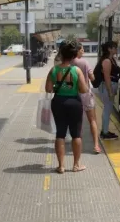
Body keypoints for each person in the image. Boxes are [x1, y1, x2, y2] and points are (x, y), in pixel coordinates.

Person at [45, 40, 89, 174]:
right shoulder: (76, 70)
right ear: (74, 56)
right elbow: (83, 90)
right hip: (74, 103)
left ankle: (61, 166)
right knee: (76, 134)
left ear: (61, 54)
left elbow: (48, 89)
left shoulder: (54, 69)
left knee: (60, 133)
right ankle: (76, 165)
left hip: (58, 102)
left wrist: (60, 86)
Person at [72, 43, 101, 154]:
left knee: (77, 121)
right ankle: (96, 145)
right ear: (78, 51)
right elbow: (92, 77)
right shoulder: (84, 62)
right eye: (82, 49)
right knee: (92, 120)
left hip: (74, 94)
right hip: (86, 94)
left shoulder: (70, 63)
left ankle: (78, 145)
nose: (83, 51)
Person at [98, 41, 120, 140]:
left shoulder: (112, 60)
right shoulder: (107, 61)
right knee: (107, 109)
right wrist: (110, 91)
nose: (116, 49)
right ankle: (104, 133)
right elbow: (107, 77)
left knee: (108, 109)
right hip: (108, 86)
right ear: (109, 49)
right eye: (114, 48)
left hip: (111, 85)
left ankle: (105, 130)